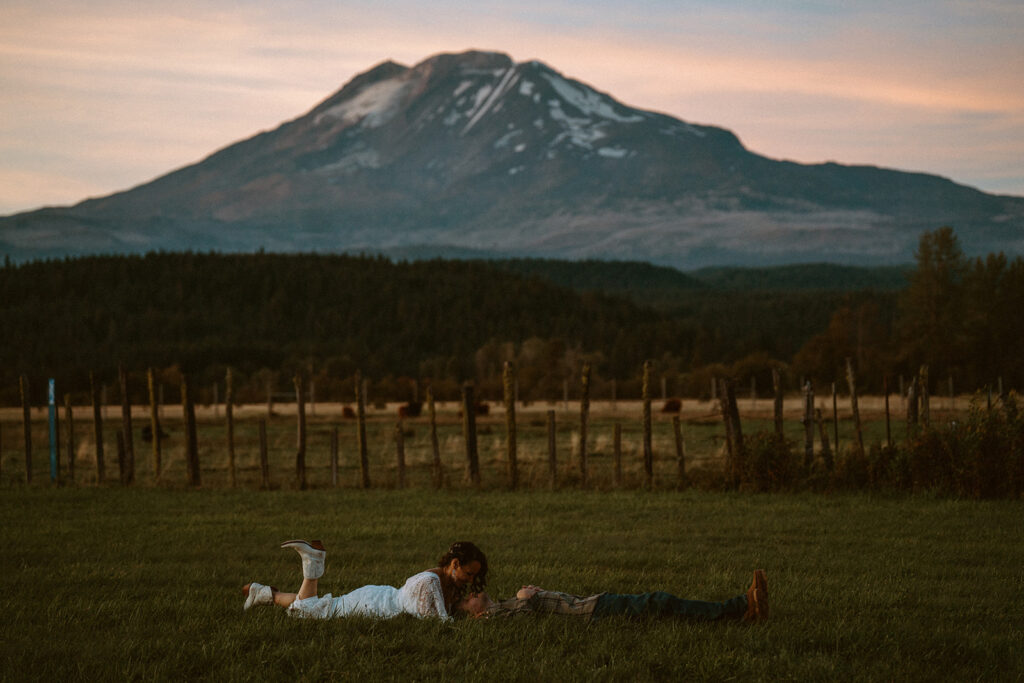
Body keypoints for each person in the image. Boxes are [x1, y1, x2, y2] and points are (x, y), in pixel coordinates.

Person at [243, 539, 487, 622]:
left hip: (379, 599)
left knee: (317, 607)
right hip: (375, 606)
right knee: (311, 613)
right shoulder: (431, 582)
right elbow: (436, 622)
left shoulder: (445, 581)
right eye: (468, 574)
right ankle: (313, 562)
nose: (470, 581)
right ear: (454, 564)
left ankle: (263, 593)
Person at [456, 569, 768, 623]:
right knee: (660, 601)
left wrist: (529, 594)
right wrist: (526, 597)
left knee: (658, 602)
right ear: (474, 614)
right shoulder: (491, 619)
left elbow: (528, 610)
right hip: (593, 611)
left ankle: (742, 608)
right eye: (467, 599)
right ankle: (741, 606)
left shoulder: (499, 606)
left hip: (594, 603)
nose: (473, 593)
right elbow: (524, 618)